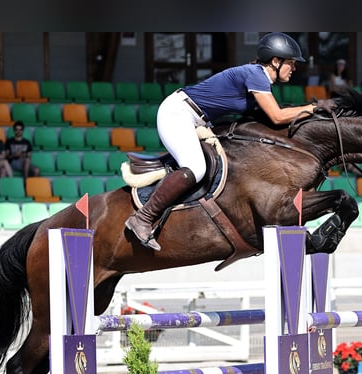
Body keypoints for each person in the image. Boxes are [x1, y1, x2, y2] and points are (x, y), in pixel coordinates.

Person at [124, 32, 320, 252]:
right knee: (196, 168)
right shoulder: (257, 75)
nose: (294, 69)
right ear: (276, 61)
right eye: (291, 63)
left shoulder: (260, 79)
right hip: (178, 113)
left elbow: (268, 122)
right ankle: (143, 217)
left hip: (196, 119)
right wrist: (313, 109)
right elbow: (277, 116)